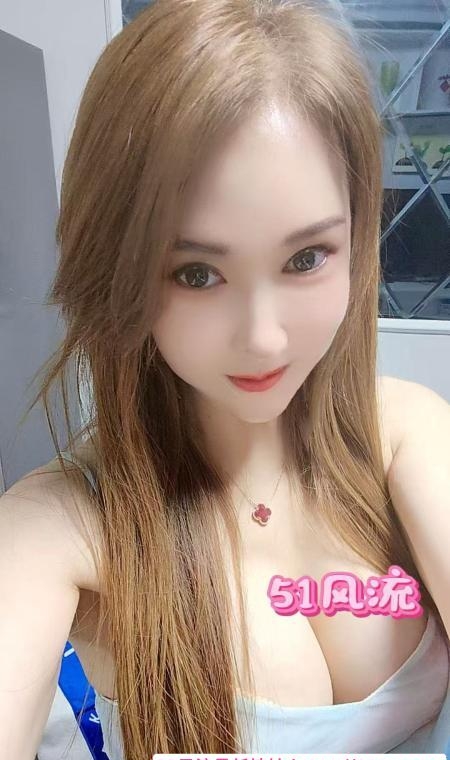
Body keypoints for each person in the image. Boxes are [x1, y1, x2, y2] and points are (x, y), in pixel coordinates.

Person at [1, 0, 450, 757]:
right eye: (197, 273)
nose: (263, 336)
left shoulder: (404, 430)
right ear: (117, 267)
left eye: (306, 259)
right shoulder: (59, 526)